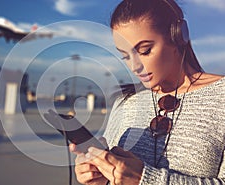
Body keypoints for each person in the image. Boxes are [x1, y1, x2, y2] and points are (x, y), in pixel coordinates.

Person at [70, 0, 225, 184]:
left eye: (144, 51)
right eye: (126, 56)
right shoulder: (126, 102)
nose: (134, 67)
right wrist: (99, 177)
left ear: (177, 37)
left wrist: (144, 179)